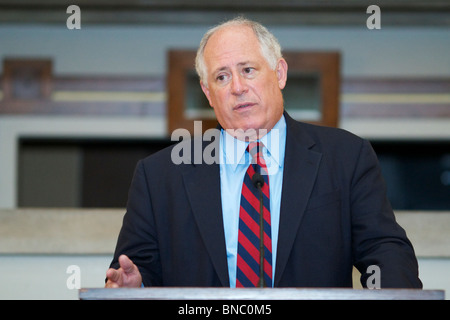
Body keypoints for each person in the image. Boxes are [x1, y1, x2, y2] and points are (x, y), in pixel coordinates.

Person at [105, 17, 422, 289]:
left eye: (248, 69)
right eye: (222, 77)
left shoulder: (347, 157)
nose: (237, 87)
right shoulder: (160, 174)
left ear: (280, 73)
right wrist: (135, 286)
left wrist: (391, 292)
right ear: (208, 93)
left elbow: (384, 250)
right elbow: (136, 268)